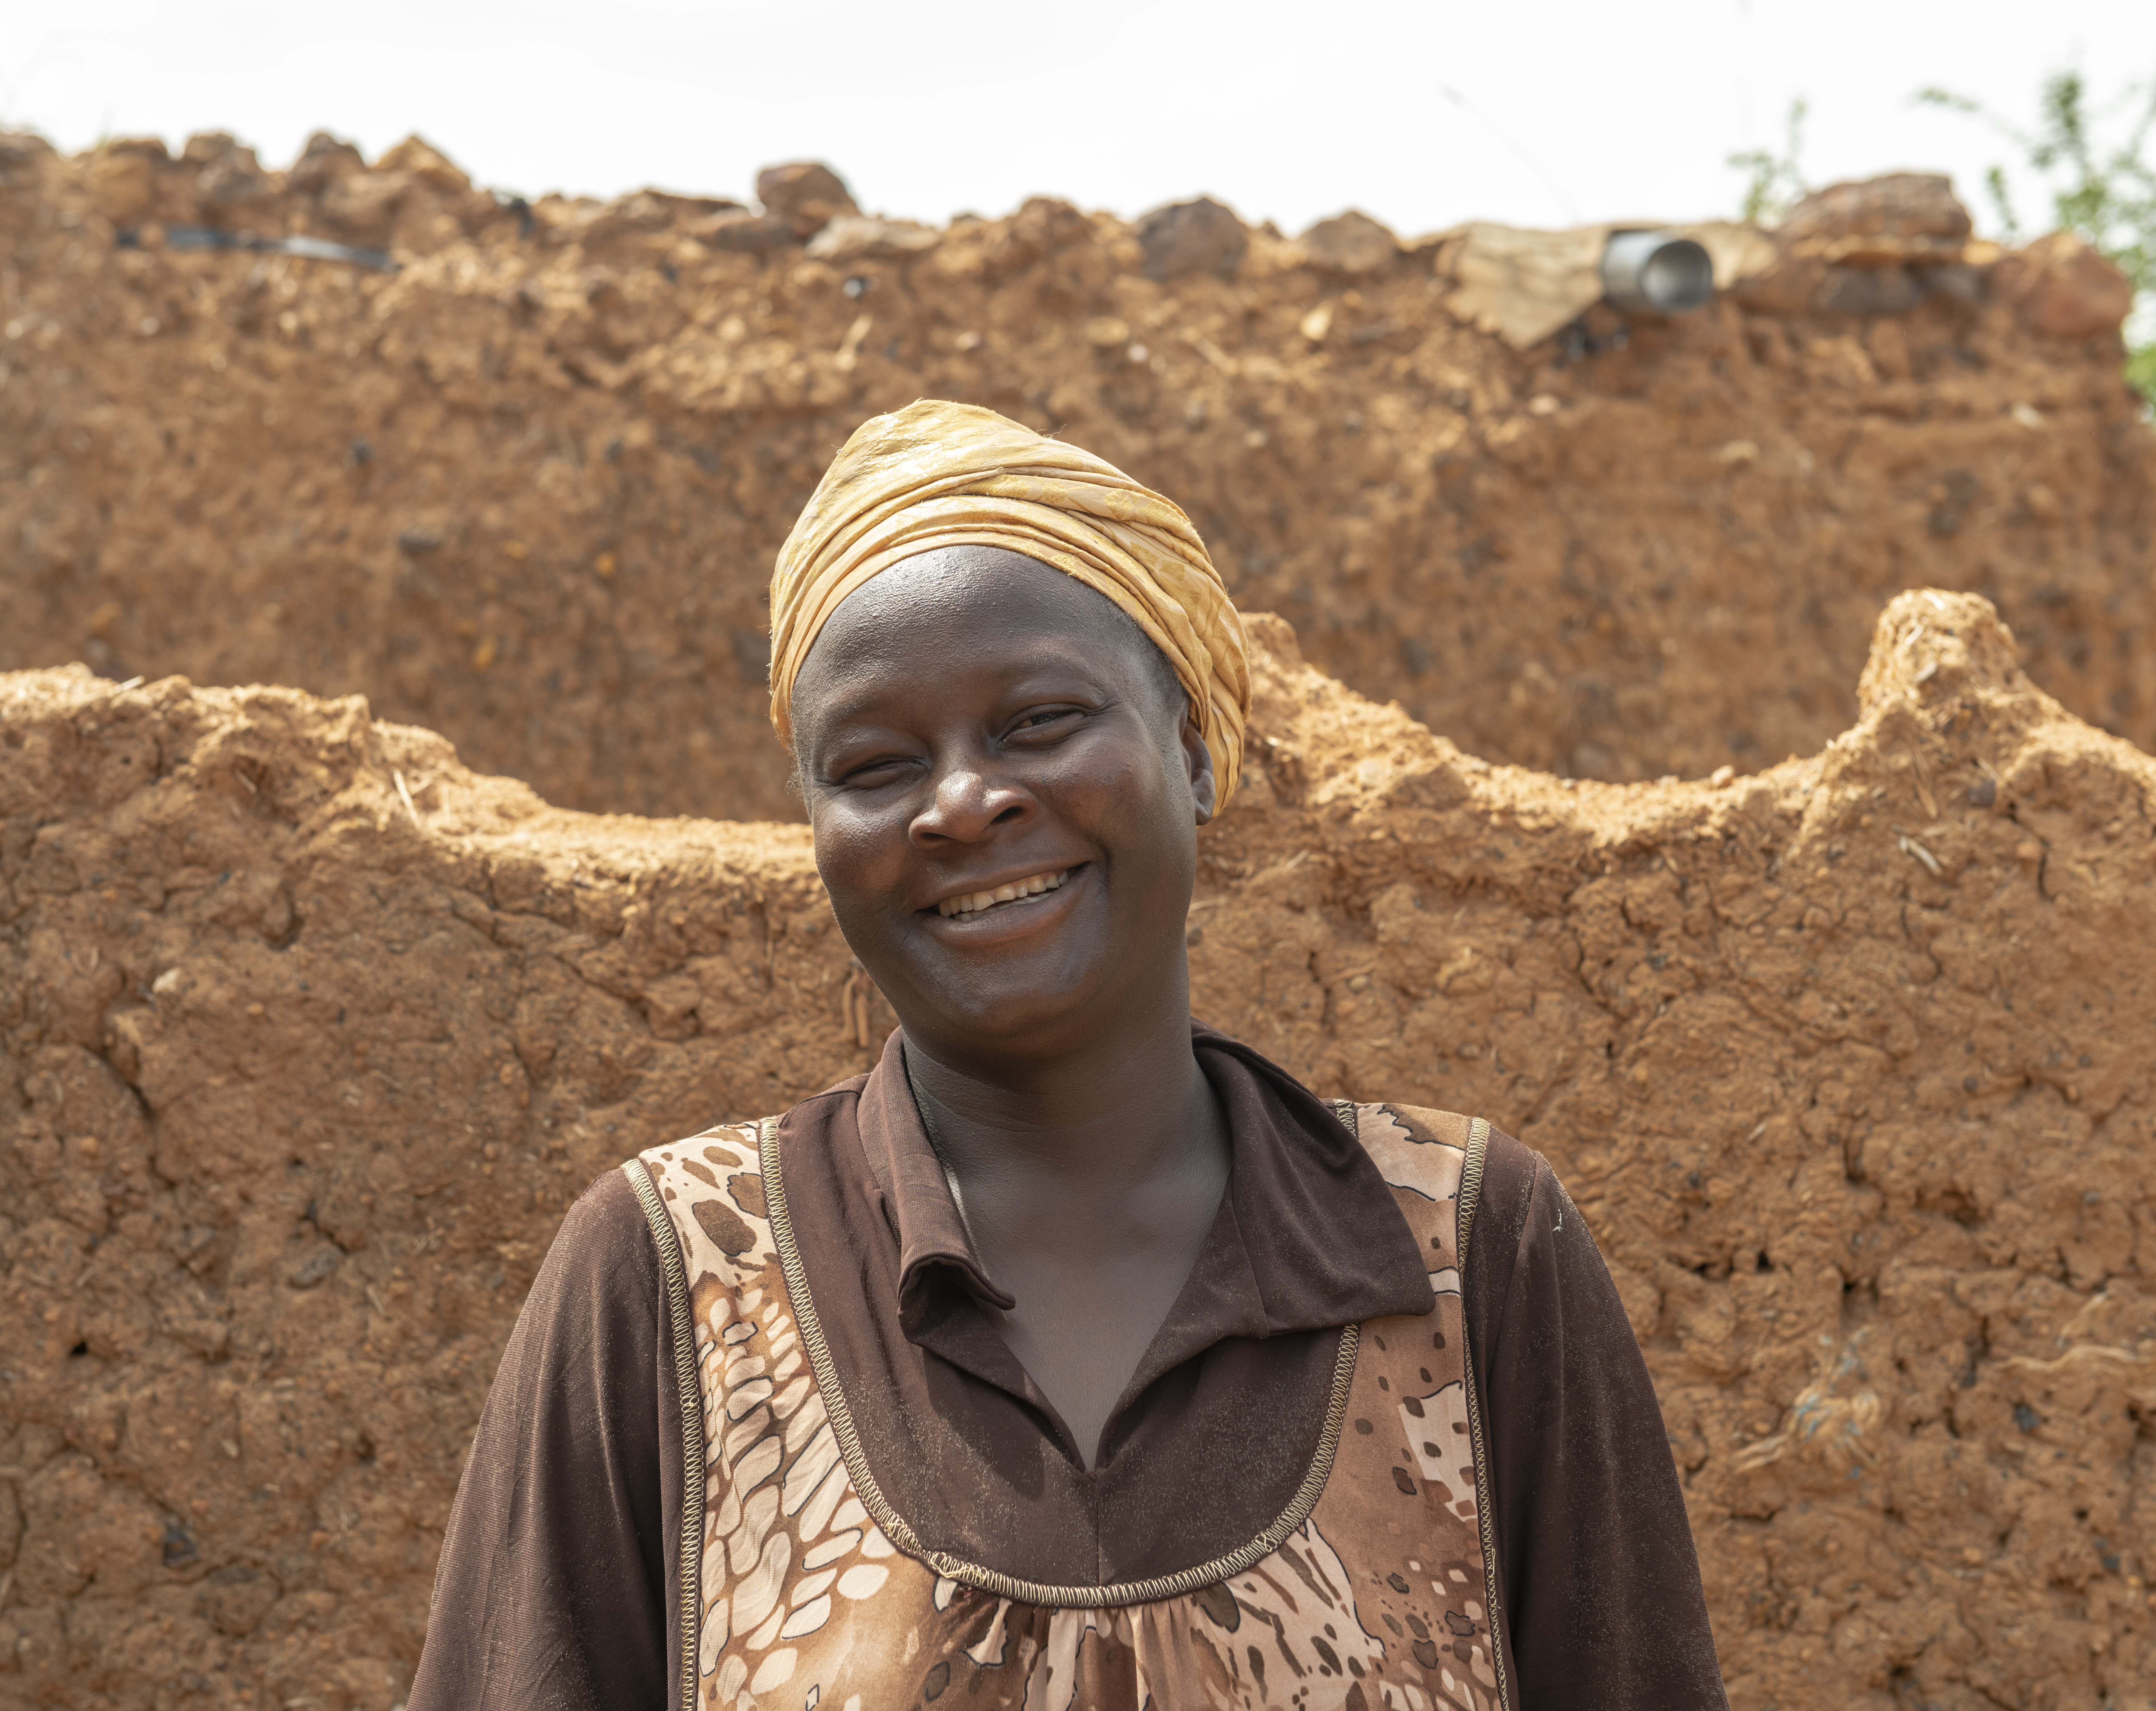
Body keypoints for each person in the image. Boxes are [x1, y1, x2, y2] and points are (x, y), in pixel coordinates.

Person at [409, 400, 1726, 1709]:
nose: (963, 800)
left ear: (1198, 751)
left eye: (1039, 722)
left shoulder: (1463, 1257)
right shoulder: (676, 1284)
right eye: (875, 764)